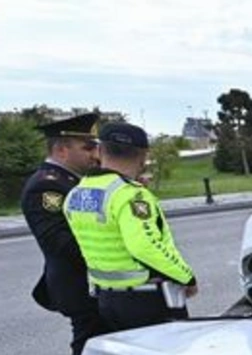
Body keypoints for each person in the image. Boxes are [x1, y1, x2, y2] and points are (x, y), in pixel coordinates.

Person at [21, 112, 104, 355]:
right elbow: (61, 243)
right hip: (79, 289)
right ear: (62, 147)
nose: (94, 153)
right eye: (87, 146)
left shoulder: (73, 181)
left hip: (93, 286)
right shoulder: (47, 186)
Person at [65, 122, 198, 333]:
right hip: (146, 298)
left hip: (106, 298)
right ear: (144, 156)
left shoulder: (77, 193)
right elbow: (144, 245)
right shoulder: (132, 195)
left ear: (100, 151)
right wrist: (186, 276)